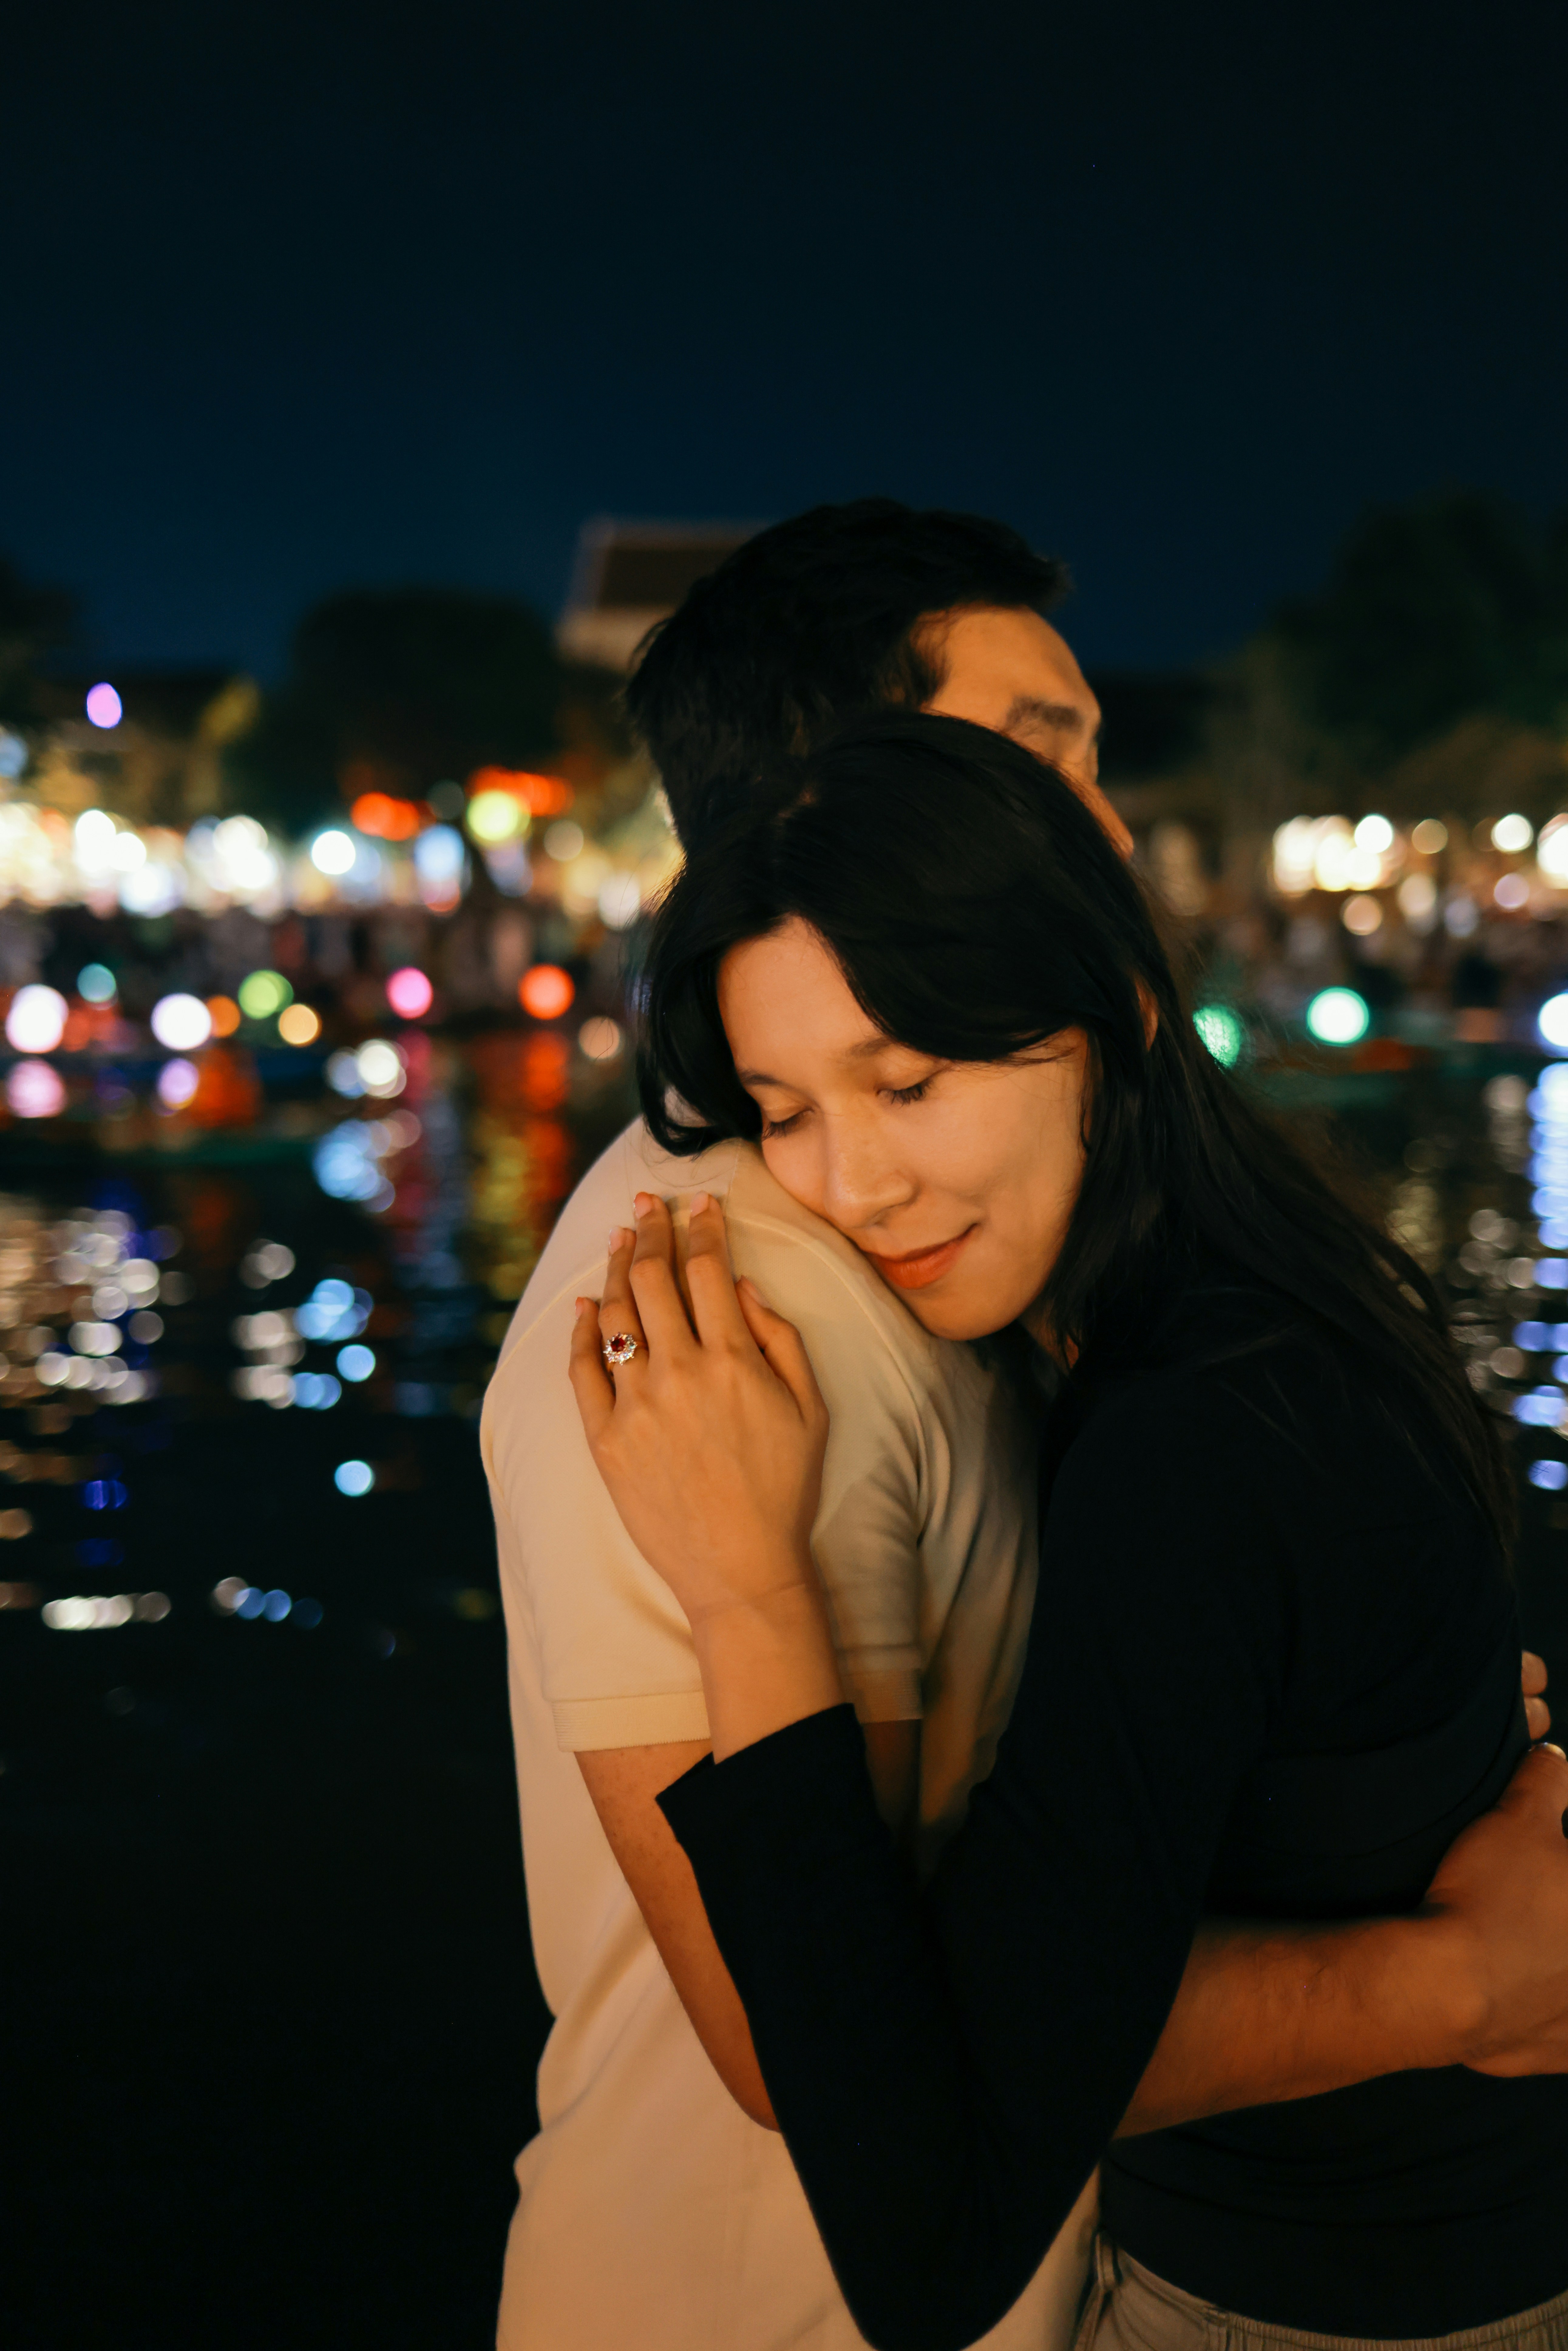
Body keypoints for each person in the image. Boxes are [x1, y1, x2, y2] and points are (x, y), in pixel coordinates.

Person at [568, 711, 1568, 2351]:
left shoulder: (1204, 1439)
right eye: (783, 1108)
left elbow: (925, 2240)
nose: (854, 1183)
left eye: (909, 1079)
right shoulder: (1256, 1285)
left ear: (1120, 1010)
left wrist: (748, 1585)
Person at [483, 501, 1121, 2351]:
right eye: (1038, 763)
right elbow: (832, 2034)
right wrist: (1444, 1990)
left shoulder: (906, 1209)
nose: (1111, 832)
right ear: (842, 808)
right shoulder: (709, 1299)